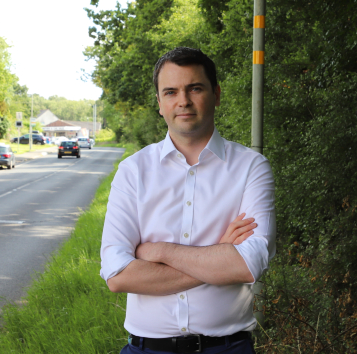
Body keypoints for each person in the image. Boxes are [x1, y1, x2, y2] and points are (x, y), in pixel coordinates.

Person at [101, 47, 276, 354]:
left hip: (228, 348)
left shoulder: (251, 167)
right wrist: (219, 254)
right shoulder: (133, 171)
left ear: (216, 94)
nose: (183, 101)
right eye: (171, 92)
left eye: (195, 88)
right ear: (159, 103)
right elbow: (117, 275)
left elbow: (248, 265)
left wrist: (158, 252)